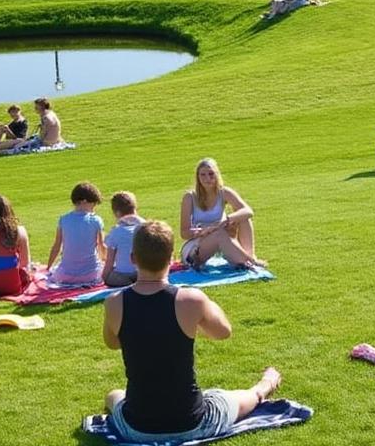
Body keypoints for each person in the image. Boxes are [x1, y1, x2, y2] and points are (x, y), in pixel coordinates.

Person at [102, 220, 282, 442]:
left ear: (133, 259)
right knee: (226, 397)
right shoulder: (190, 300)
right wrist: (205, 305)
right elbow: (223, 332)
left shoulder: (114, 303)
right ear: (171, 260)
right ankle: (264, 387)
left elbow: (112, 343)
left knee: (114, 396)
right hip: (193, 422)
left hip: (136, 426)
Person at [180, 158, 262, 269]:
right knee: (219, 234)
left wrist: (226, 220)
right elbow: (184, 233)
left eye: (211, 174)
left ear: (217, 175)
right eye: (202, 175)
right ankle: (249, 262)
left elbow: (248, 211)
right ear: (198, 177)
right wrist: (202, 231)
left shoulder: (224, 192)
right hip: (197, 246)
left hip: (221, 237)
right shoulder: (189, 197)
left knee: (243, 218)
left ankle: (249, 257)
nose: (207, 178)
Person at [47, 182, 106, 287]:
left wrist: (48, 267)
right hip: (92, 275)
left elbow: (56, 246)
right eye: (93, 204)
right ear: (84, 201)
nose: (94, 208)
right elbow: (102, 246)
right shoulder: (96, 220)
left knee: (55, 270)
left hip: (65, 276)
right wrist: (106, 264)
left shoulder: (64, 220)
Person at [103, 192, 146, 287]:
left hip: (123, 276)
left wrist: (104, 278)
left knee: (112, 276)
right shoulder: (147, 227)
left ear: (117, 213)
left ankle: (130, 285)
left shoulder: (116, 232)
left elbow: (109, 261)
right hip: (144, 273)